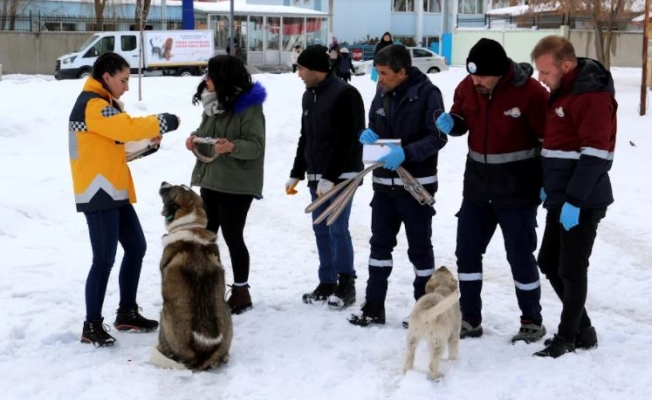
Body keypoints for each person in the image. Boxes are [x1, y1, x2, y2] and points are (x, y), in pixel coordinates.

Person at [435, 38, 549, 343]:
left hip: (518, 192)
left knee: (520, 257)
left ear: (500, 72)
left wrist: (547, 186)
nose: (476, 81)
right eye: (472, 74)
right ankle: (470, 319)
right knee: (467, 254)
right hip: (476, 189)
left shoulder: (532, 94)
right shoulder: (467, 87)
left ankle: (531, 321)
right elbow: (462, 119)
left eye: (482, 75)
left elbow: (548, 144)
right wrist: (452, 123)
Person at [68, 52, 180, 347]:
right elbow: (127, 127)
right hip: (98, 192)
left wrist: (148, 146)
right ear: (106, 77)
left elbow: (117, 146)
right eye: (124, 80)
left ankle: (127, 313)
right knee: (103, 259)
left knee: (136, 247)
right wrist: (162, 122)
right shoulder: (92, 105)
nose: (127, 87)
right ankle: (91, 326)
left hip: (112, 190)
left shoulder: (103, 104)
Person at [348, 44, 448, 327]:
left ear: (402, 72)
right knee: (379, 247)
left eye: (383, 73)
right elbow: (373, 125)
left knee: (419, 250)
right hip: (383, 186)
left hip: (416, 187)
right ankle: (373, 307)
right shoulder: (381, 92)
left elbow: (438, 137)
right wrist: (365, 135)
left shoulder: (428, 94)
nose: (379, 79)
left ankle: (424, 312)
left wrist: (407, 153)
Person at [531, 36, 617, 358]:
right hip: (562, 196)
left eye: (545, 72)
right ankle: (584, 329)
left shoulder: (591, 96)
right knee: (549, 262)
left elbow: (595, 154)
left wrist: (575, 201)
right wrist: (549, 186)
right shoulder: (564, 91)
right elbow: (557, 147)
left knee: (571, 268)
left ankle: (567, 337)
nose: (541, 79)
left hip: (583, 200)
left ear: (565, 65)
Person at [186, 55, 267, 315]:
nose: (205, 79)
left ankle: (241, 291)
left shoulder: (249, 107)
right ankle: (211, 287)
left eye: (210, 74)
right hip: (211, 177)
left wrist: (231, 147)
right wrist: (194, 140)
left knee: (232, 234)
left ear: (224, 78)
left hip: (237, 182)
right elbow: (203, 131)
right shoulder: (212, 103)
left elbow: (255, 146)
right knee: (206, 235)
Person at [286, 45, 365, 309]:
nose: (299, 74)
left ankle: (347, 283)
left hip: (342, 176)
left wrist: (331, 176)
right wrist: (297, 172)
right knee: (321, 229)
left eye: (302, 69)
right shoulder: (309, 96)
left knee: (337, 229)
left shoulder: (346, 94)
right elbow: (305, 136)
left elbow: (349, 139)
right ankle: (327, 281)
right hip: (316, 177)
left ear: (316, 70)